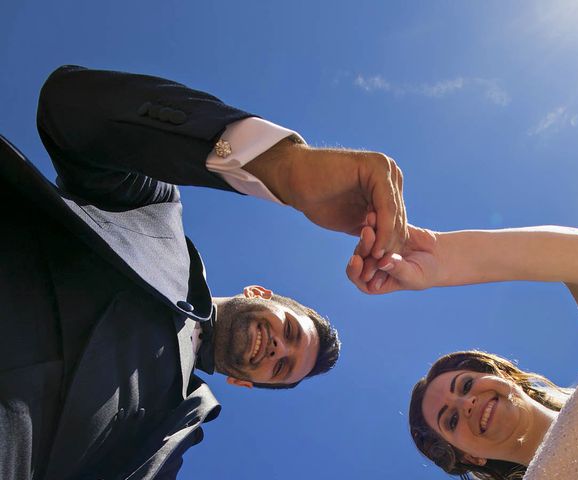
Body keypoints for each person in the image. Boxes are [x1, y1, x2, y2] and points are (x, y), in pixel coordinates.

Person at [0, 65, 407, 480]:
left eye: (281, 367)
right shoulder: (154, 215)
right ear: (261, 292)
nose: (276, 349)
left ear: (244, 385)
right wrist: (285, 168)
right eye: (289, 331)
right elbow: (71, 107)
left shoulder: (170, 435)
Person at [347, 224, 578, 479]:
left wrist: (442, 255)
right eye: (451, 420)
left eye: (465, 385)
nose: (466, 405)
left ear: (505, 376)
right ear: (470, 458)